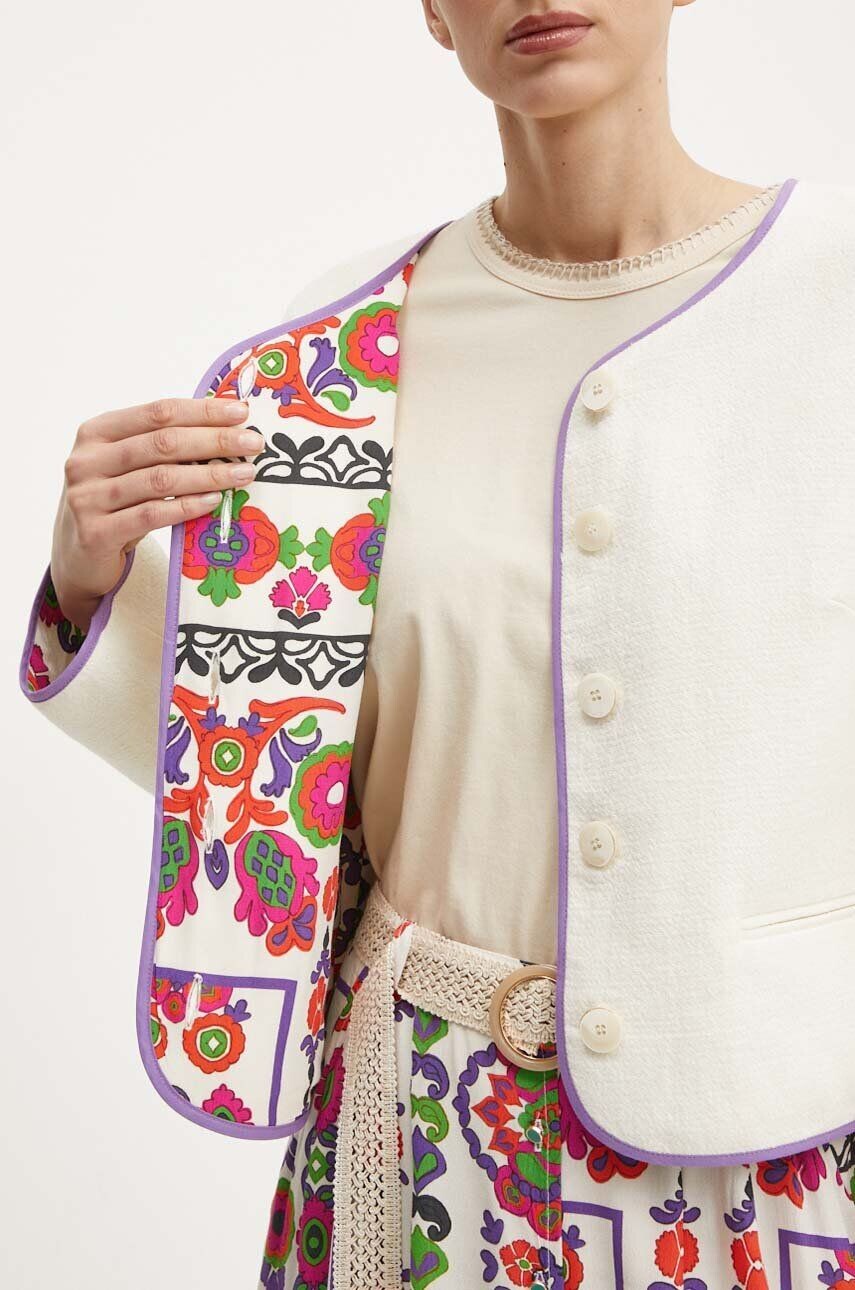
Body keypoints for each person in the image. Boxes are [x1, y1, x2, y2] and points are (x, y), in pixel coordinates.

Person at [18, 2, 855, 1287]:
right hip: (417, 1140)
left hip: (770, 1143)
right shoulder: (331, 362)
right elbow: (272, 784)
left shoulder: (834, 311)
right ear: (430, 10)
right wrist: (95, 577)